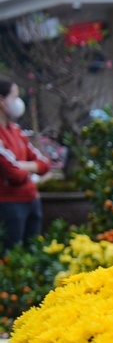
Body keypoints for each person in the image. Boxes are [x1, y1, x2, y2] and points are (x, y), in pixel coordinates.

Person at [0, 80, 52, 249]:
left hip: (32, 200)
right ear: (1, 101)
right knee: (11, 255)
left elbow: (45, 164)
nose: (19, 102)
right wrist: (30, 168)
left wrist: (23, 165)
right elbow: (13, 174)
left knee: (33, 252)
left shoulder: (17, 131)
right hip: (9, 204)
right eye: (15, 97)